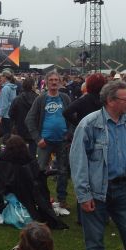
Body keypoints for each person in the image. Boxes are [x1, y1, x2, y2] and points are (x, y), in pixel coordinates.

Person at [69, 81, 126, 250]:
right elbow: (78, 161)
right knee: (95, 242)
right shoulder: (90, 124)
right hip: (96, 191)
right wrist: (83, 194)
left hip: (123, 189)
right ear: (111, 101)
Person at [25, 71, 72, 216]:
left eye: (56, 80)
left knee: (63, 171)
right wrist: (37, 138)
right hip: (45, 142)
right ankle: (41, 198)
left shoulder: (65, 98)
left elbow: (72, 117)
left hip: (62, 142)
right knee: (40, 171)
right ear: (46, 82)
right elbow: (29, 119)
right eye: (51, 80)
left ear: (60, 81)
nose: (53, 82)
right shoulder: (41, 99)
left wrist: (69, 134)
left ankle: (62, 199)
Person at [10, 77, 37, 158]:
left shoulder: (17, 99)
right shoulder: (38, 98)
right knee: (32, 154)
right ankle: (31, 167)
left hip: (20, 128)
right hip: (33, 129)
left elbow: (11, 113)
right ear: (32, 86)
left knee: (18, 153)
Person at [0, 72, 17, 139]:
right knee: (10, 134)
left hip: (5, 115)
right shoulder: (13, 87)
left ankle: (7, 148)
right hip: (11, 113)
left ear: (5, 77)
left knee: (6, 135)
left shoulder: (5, 88)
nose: (0, 78)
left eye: (1, 77)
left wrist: (0, 115)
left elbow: (4, 103)